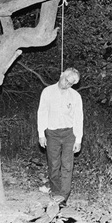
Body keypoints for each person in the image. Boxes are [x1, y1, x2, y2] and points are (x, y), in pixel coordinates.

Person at [37, 68, 83, 206]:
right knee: (54, 164)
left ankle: (63, 197)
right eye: (66, 80)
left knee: (67, 166)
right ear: (61, 74)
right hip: (52, 134)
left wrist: (78, 139)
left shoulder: (75, 96)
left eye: (71, 84)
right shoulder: (47, 92)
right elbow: (42, 113)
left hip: (69, 134)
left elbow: (78, 118)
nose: (66, 85)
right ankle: (56, 192)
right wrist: (41, 134)